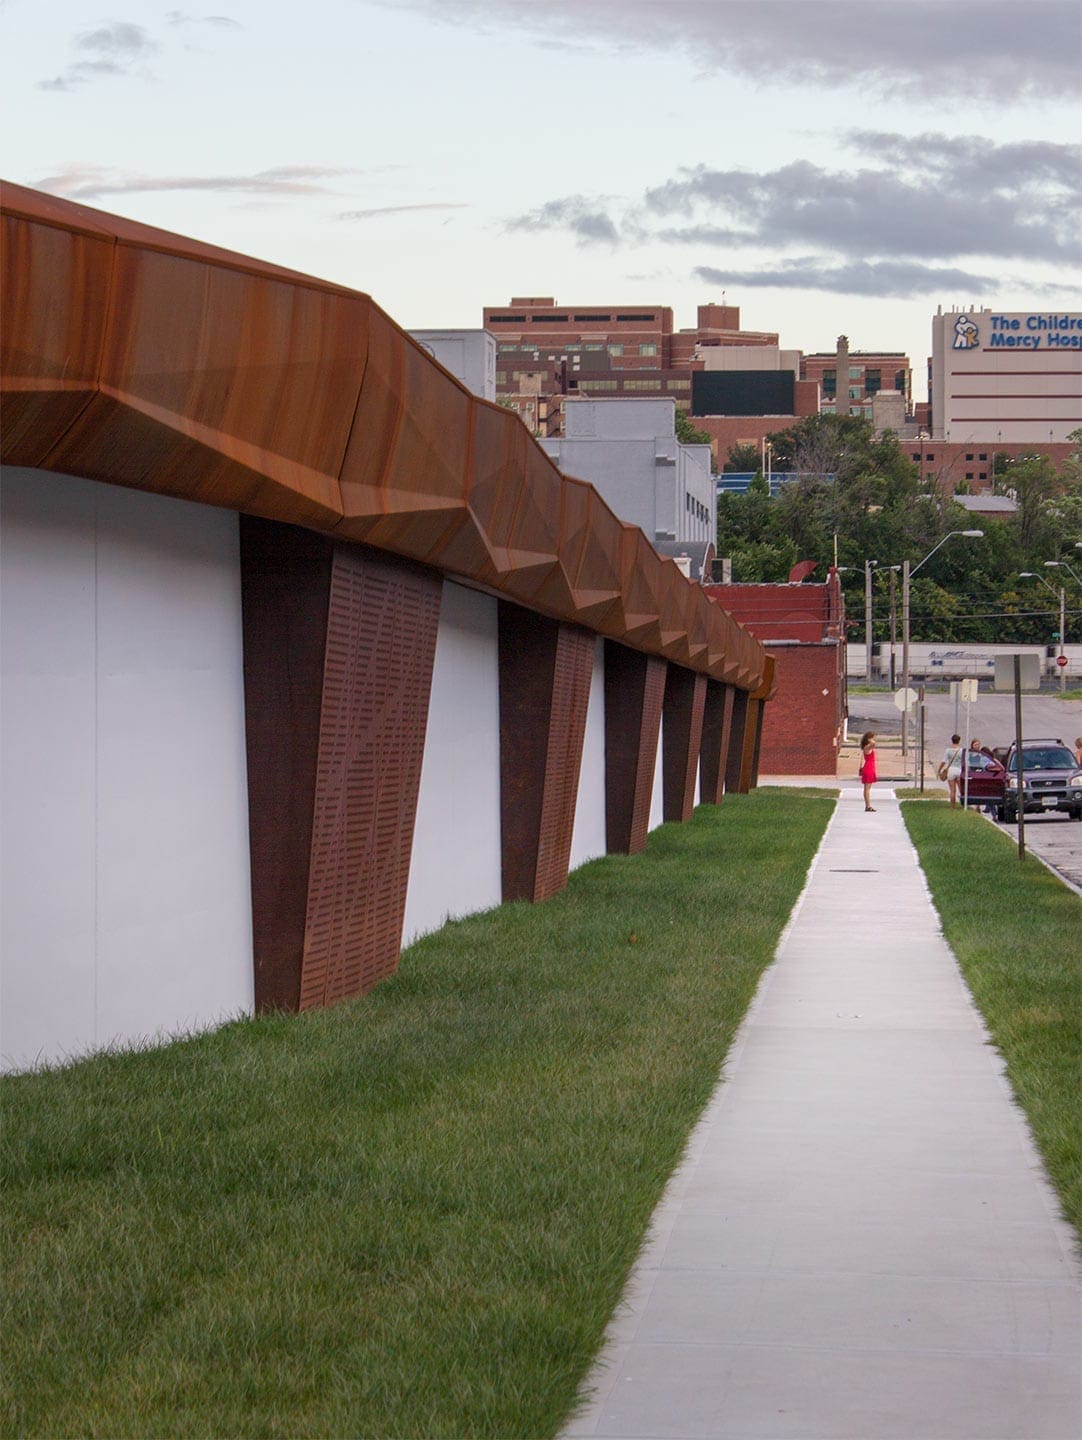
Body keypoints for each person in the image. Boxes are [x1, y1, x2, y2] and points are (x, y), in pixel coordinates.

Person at [942, 733, 964, 808]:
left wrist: (939, 769)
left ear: (952, 741)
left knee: (952, 790)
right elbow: (964, 761)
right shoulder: (961, 751)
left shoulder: (948, 750)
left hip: (951, 771)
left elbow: (944, 761)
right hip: (959, 770)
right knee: (961, 790)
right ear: (959, 741)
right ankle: (964, 805)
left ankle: (952, 807)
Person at [859, 731, 877, 812]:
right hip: (868, 768)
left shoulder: (866, 747)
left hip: (870, 767)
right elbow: (874, 743)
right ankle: (868, 806)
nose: (874, 738)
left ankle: (868, 805)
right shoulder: (867, 747)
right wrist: (870, 740)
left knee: (867, 788)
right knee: (867, 789)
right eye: (873, 737)